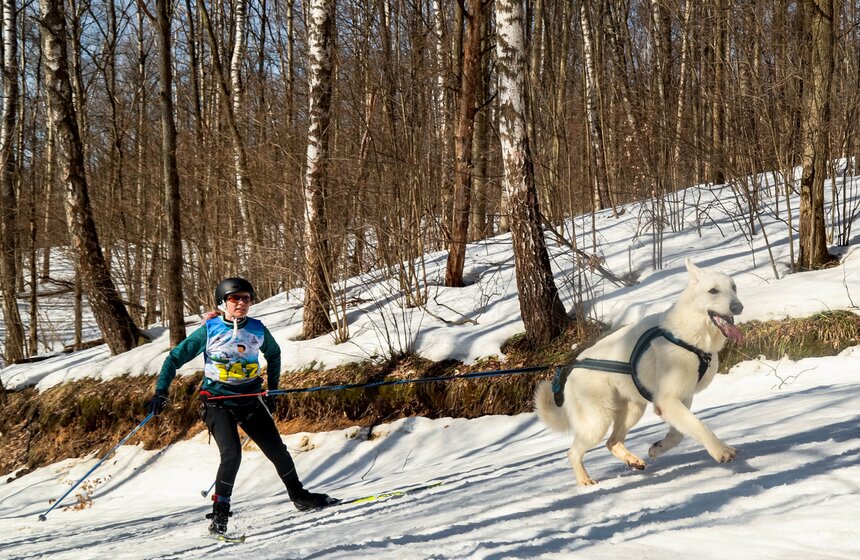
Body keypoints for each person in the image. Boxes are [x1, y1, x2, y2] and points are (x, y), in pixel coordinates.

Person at [147, 277, 338, 535]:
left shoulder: (257, 329)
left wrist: (273, 389)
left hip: (250, 400)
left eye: (246, 298)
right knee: (232, 454)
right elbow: (174, 358)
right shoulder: (210, 329)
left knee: (278, 451)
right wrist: (161, 392)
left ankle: (300, 496)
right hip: (217, 403)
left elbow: (274, 354)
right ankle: (220, 514)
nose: (241, 303)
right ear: (223, 303)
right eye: (235, 298)